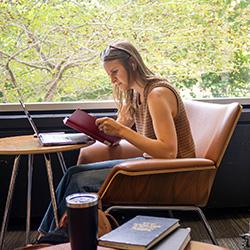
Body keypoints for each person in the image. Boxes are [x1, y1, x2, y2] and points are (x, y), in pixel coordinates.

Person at [38, 40, 195, 235]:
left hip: (172, 172)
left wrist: (120, 131)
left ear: (132, 64)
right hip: (151, 165)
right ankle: (48, 235)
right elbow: (118, 131)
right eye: (109, 74)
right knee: (73, 173)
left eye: (115, 72)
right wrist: (93, 131)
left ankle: (57, 238)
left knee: (79, 180)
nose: (112, 80)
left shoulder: (157, 94)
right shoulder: (136, 95)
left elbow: (168, 152)